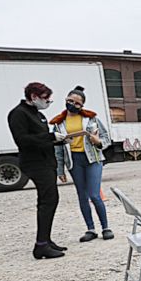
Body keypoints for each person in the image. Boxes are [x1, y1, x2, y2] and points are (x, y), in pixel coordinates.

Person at [7, 82, 69, 259]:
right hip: (35, 164)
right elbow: (23, 140)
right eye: (45, 98)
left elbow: (41, 139)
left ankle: (46, 240)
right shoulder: (18, 114)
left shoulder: (38, 114)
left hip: (47, 162)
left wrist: (57, 140)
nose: (48, 102)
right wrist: (49, 136)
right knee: (48, 201)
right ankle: (40, 246)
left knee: (50, 200)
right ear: (33, 97)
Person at [51, 86, 114, 242]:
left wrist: (98, 142)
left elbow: (106, 138)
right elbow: (58, 149)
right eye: (70, 100)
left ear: (82, 106)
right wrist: (60, 170)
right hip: (74, 160)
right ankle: (90, 229)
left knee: (94, 194)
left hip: (92, 159)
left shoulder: (91, 119)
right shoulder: (59, 123)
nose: (72, 104)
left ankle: (106, 227)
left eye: (77, 103)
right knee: (82, 196)